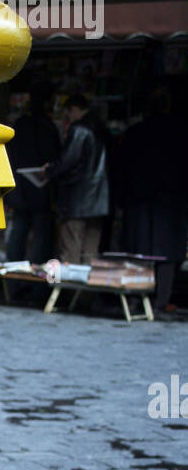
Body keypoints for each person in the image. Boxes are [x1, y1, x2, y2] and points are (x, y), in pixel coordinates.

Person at [115, 89, 188, 314]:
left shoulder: (135, 133)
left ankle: (136, 299)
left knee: (139, 252)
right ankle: (160, 301)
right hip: (170, 201)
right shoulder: (181, 133)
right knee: (166, 254)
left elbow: (121, 168)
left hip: (139, 200)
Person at [45, 92, 109, 264]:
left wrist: (49, 171)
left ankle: (68, 291)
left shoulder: (79, 129)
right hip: (98, 202)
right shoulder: (101, 128)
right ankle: (86, 292)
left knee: (71, 249)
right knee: (90, 252)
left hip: (77, 200)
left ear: (73, 110)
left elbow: (68, 162)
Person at [4, 84, 61, 264]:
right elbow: (52, 157)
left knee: (17, 238)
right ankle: (38, 287)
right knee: (41, 241)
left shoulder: (20, 124)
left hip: (19, 190)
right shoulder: (47, 126)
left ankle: (13, 285)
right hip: (40, 191)